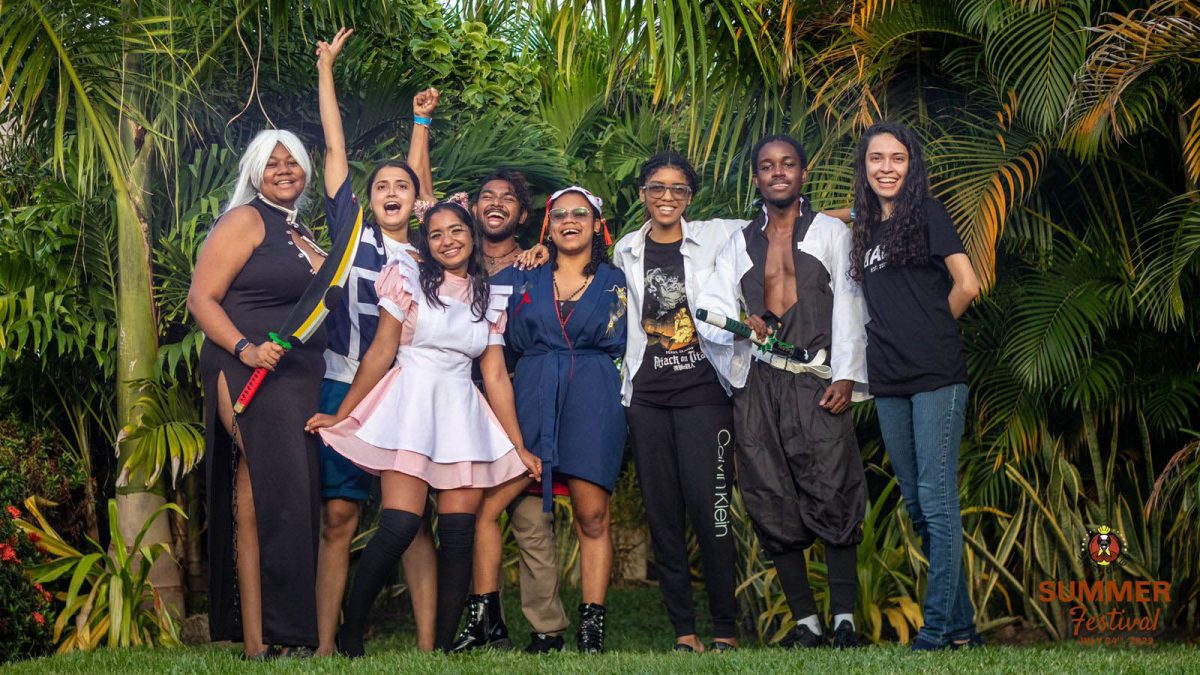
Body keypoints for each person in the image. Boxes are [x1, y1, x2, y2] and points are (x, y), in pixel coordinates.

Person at [306, 199, 541, 656]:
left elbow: (494, 376)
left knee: (457, 535)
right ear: (426, 245)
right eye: (436, 234)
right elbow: (379, 352)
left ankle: (440, 650)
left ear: (472, 235)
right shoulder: (407, 280)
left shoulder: (489, 296)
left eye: (456, 230)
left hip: (460, 413)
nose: (447, 240)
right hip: (410, 404)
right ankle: (349, 637)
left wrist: (518, 446)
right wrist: (343, 414)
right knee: (398, 524)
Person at [456, 187, 627, 654]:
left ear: (597, 225)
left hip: (593, 397)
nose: (570, 221)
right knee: (489, 509)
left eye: (581, 214)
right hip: (530, 396)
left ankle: (591, 630)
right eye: (560, 215)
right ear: (547, 226)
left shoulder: (620, 278)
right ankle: (485, 619)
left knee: (593, 516)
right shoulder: (519, 277)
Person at [312, 28, 438, 654]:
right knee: (339, 517)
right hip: (342, 377)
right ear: (369, 196)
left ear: (418, 202)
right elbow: (334, 142)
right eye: (382, 186)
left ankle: (423, 647)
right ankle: (327, 645)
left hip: (402, 392)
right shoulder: (349, 228)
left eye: (403, 188)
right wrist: (326, 68)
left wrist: (421, 122)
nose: (392, 193)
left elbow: (420, 175)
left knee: (408, 522)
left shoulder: (430, 252)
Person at [189, 129, 326, 659]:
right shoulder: (245, 220)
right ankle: (276, 635)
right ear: (254, 172)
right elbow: (202, 299)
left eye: (292, 162)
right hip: (248, 368)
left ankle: (262, 639)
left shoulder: (303, 233)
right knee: (275, 492)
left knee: (269, 496)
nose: (284, 169)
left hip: (302, 376)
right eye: (273, 163)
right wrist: (245, 349)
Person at [848, 122, 982, 651]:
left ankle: (936, 631)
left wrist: (930, 330)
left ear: (912, 164)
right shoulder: (865, 227)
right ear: (864, 166)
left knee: (936, 497)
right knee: (917, 505)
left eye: (897, 158)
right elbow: (841, 215)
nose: (886, 167)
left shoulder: (928, 213)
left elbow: (968, 283)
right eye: (876, 158)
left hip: (934, 374)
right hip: (887, 377)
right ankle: (964, 630)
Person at [734, 134, 870, 649]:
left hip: (816, 378)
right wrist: (741, 320)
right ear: (756, 178)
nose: (778, 172)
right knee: (768, 492)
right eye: (767, 166)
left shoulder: (830, 233)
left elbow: (851, 302)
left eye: (787, 164)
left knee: (834, 486)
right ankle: (806, 624)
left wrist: (846, 374)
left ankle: (844, 623)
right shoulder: (738, 240)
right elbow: (715, 298)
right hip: (759, 382)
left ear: (803, 173)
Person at [613, 151, 751, 653]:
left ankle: (725, 630)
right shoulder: (626, 250)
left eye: (677, 189)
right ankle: (684, 632)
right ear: (644, 194)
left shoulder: (716, 235)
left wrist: (862, 212)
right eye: (656, 187)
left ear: (689, 197)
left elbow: (784, 219)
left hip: (704, 395)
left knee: (711, 510)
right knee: (663, 515)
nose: (666, 197)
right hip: (646, 399)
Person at [459, 169, 571, 653]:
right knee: (465, 515)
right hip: (459, 400)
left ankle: (546, 628)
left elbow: (586, 265)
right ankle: (486, 623)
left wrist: (544, 250)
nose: (496, 203)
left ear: (523, 216)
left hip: (518, 396)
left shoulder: (536, 267)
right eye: (487, 196)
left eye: (508, 199)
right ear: (475, 208)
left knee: (528, 516)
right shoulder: (451, 261)